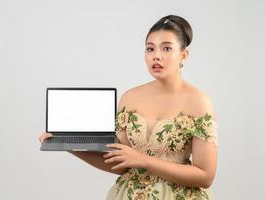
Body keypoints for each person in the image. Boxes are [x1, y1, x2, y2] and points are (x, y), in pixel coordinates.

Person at [39, 14, 218, 200]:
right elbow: (121, 164)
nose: (156, 56)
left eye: (166, 48)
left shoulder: (198, 101)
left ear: (183, 55)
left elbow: (205, 176)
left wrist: (145, 161)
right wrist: (67, 144)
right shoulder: (130, 97)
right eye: (150, 49)